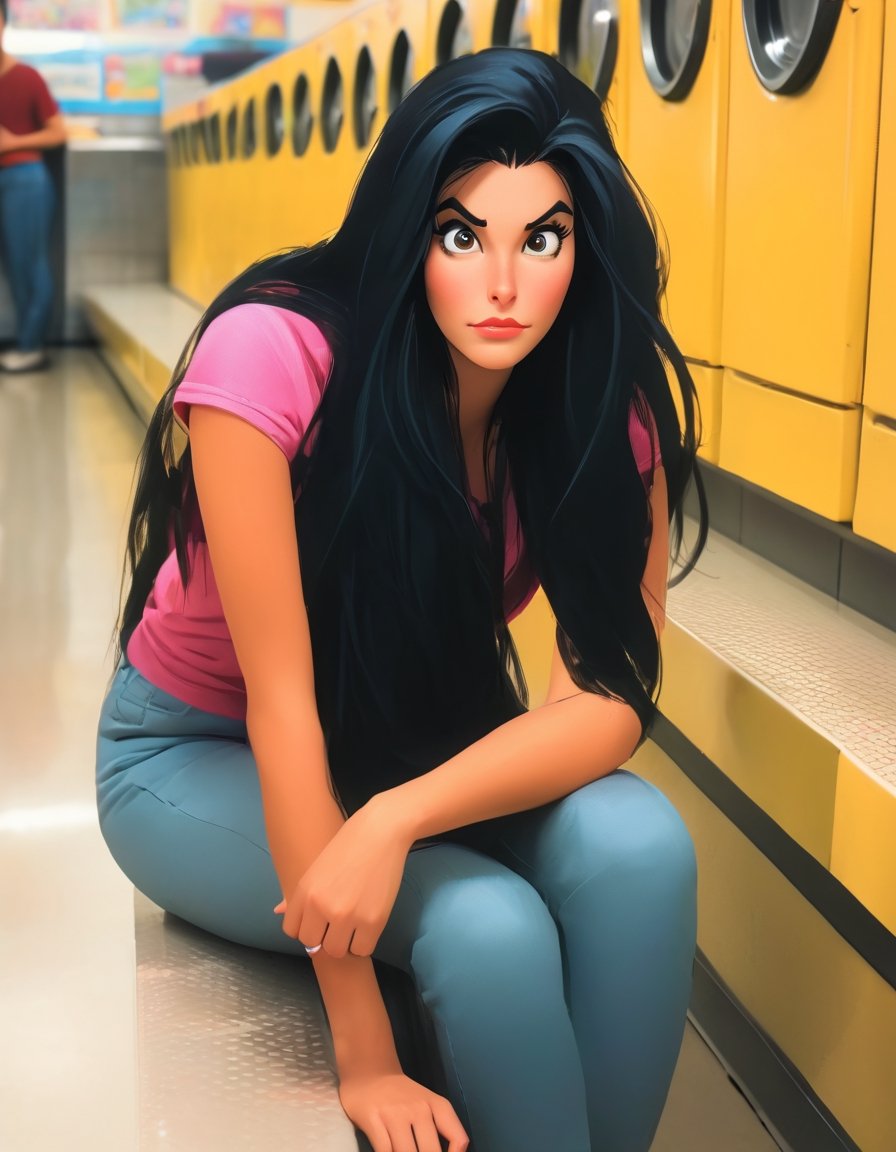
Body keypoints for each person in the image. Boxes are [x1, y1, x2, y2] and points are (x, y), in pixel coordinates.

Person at [97, 47, 707, 1152]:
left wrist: (399, 814)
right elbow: (282, 707)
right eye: (462, 234)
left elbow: (609, 697)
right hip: (199, 751)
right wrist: (364, 1050)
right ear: (408, 229)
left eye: (545, 238)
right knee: (488, 929)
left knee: (642, 849)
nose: (503, 285)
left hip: (410, 745)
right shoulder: (274, 359)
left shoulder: (595, 410)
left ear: (586, 247)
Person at [0, 0, 65, 373]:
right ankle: (26, 341)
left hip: (25, 179)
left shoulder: (26, 77)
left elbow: (58, 132)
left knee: (30, 264)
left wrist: (12, 142)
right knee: (15, 265)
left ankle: (31, 345)